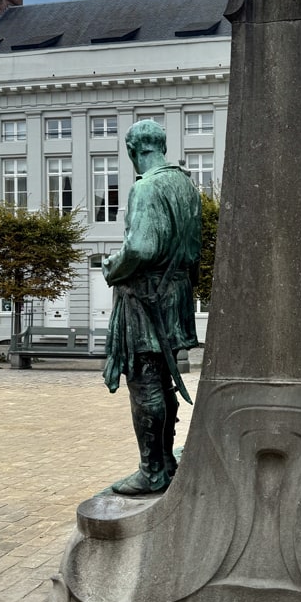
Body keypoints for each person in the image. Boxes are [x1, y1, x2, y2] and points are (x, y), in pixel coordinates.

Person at [102, 119, 202, 495]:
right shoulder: (185, 185)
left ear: (132, 151)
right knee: (163, 379)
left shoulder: (146, 187)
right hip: (176, 297)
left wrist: (112, 267)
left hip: (147, 301)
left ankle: (152, 470)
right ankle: (166, 461)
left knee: (146, 382)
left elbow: (141, 248)